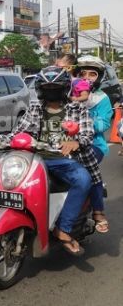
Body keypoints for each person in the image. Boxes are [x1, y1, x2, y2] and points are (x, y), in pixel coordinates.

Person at [0, 66, 99, 256]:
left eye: (55, 88)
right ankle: (17, 213)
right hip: (34, 158)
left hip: (63, 159)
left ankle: (63, 227)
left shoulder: (77, 108)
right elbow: (19, 132)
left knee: (83, 179)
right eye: (47, 89)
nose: (51, 92)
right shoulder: (35, 108)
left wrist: (75, 141)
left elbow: (88, 133)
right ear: (40, 90)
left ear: (64, 89)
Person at [74, 56, 113, 233]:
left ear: (99, 78)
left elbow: (104, 124)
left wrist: (82, 124)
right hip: (64, 143)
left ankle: (98, 212)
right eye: (83, 73)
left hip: (94, 145)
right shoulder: (68, 94)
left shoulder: (102, 98)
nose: (87, 77)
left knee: (89, 172)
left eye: (92, 74)